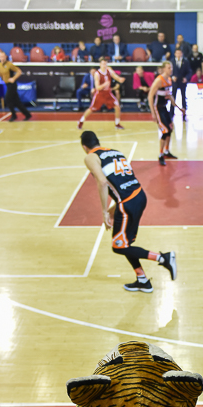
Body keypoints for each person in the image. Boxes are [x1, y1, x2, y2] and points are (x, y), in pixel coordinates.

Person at [80, 131, 177, 293]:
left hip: (128, 202)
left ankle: (163, 258)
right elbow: (124, 180)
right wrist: (115, 207)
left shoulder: (90, 157)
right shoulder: (115, 152)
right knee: (125, 243)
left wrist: (104, 211)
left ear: (84, 147)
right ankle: (142, 280)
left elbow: (102, 182)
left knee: (118, 247)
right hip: (138, 195)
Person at [78, 58, 125, 130]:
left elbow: (115, 76)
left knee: (117, 107)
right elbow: (97, 87)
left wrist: (119, 79)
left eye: (105, 64)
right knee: (91, 109)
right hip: (100, 94)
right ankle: (81, 121)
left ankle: (117, 123)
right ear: (100, 64)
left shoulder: (109, 70)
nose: (104, 65)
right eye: (103, 64)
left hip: (108, 93)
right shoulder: (97, 74)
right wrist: (105, 84)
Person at [148, 61, 179, 166]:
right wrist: (153, 112)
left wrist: (177, 106)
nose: (171, 69)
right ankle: (161, 154)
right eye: (169, 68)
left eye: (171, 67)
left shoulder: (169, 80)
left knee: (170, 128)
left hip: (165, 107)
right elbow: (150, 96)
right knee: (165, 131)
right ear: (164, 69)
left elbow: (168, 94)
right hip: (158, 108)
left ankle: (166, 151)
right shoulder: (158, 80)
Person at [0, 50, 31, 122]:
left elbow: (19, 71)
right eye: (1, 57)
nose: (2, 58)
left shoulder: (9, 64)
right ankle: (27, 114)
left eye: (3, 56)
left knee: (7, 99)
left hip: (12, 84)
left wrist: (13, 78)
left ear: (5, 57)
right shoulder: (0, 65)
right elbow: (0, 74)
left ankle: (14, 115)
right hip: (7, 84)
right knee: (17, 102)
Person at [171, 48, 191, 117]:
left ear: (182, 54)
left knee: (183, 96)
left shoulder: (186, 61)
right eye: (177, 53)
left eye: (180, 53)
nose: (178, 54)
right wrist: (172, 77)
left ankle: (184, 111)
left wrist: (186, 78)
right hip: (175, 82)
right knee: (173, 96)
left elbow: (189, 71)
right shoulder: (172, 61)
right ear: (175, 54)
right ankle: (171, 112)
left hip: (182, 81)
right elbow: (169, 72)